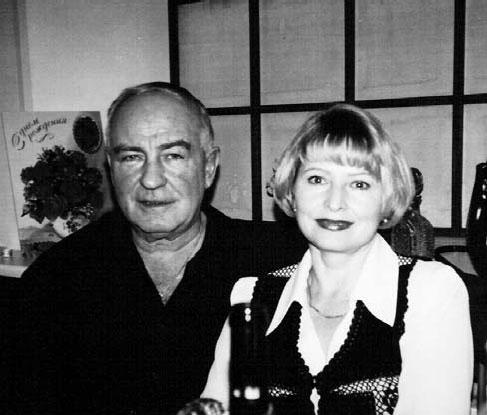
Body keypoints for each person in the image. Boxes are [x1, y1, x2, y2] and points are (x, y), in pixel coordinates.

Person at [15, 82, 306, 415]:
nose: (151, 179)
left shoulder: (279, 264)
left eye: (173, 155)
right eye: (131, 157)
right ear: (111, 168)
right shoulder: (55, 279)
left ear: (208, 167)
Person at [201, 104, 474, 414]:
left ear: (386, 200)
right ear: (291, 190)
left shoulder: (430, 291)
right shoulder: (252, 298)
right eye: (317, 179)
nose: (334, 202)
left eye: (359, 184)